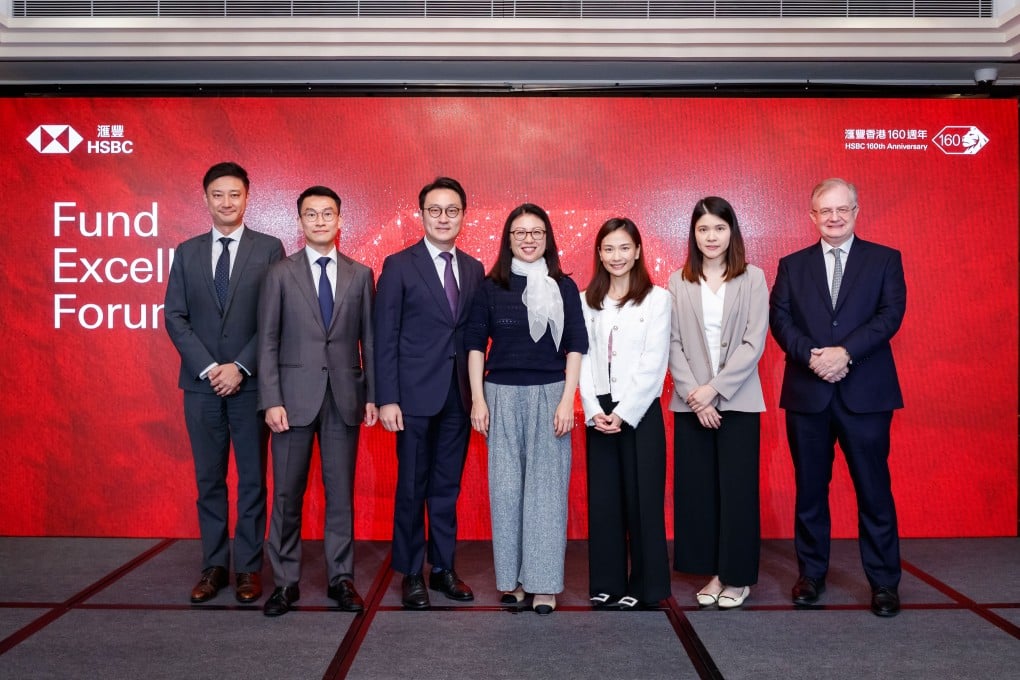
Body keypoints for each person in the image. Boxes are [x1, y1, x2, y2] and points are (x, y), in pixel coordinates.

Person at [769, 178, 906, 617]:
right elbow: (780, 318)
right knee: (810, 491)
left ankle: (884, 583)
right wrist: (814, 357)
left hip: (866, 394)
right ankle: (811, 575)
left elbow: (890, 315)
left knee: (874, 491)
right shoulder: (792, 265)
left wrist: (845, 353)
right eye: (824, 210)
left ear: (856, 211)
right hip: (808, 394)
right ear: (812, 216)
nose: (833, 217)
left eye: (842, 209)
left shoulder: (885, 260)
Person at [164, 162, 285, 604]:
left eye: (234, 194)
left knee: (253, 480)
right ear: (205, 199)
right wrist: (210, 368)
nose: (227, 202)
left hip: (250, 386)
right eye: (218, 194)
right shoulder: (187, 251)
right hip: (201, 387)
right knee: (209, 480)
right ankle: (214, 566)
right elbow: (174, 316)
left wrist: (239, 367)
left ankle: (249, 568)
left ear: (247, 197)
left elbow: (273, 318)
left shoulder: (269, 248)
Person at [257, 185, 377, 617]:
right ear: (300, 222)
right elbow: (267, 341)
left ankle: (340, 579)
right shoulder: (279, 273)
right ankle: (285, 583)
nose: (321, 221)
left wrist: (372, 397)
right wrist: (270, 398)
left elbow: (370, 340)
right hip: (290, 402)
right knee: (287, 496)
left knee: (340, 495)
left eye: (328, 214)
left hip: (344, 400)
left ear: (341, 220)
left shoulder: (361, 274)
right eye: (312, 214)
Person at [466, 203, 588, 616]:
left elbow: (575, 345)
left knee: (547, 494)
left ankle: (544, 584)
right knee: (505, 492)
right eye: (520, 232)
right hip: (500, 394)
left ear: (548, 238)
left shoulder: (563, 286)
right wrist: (478, 399)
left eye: (537, 232)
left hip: (550, 394)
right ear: (508, 239)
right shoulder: (490, 287)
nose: (529, 239)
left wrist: (568, 398)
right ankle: (513, 582)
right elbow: (474, 346)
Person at [374, 177, 485, 609]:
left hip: (457, 398)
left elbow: (473, 335)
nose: (443, 217)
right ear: (421, 214)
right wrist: (387, 397)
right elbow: (385, 336)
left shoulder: (474, 269)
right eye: (434, 210)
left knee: (446, 487)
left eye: (452, 210)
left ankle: (443, 569)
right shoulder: (399, 265)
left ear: (463, 215)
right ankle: (409, 572)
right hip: (412, 399)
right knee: (411, 488)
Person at [668, 196, 768, 610]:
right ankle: (713, 572)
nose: (711, 236)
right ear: (693, 234)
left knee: (737, 491)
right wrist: (696, 395)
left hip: (739, 402)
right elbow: (671, 343)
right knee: (699, 492)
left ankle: (736, 577)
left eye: (719, 228)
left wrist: (715, 390)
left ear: (732, 232)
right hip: (690, 403)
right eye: (703, 229)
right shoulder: (678, 281)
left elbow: (753, 342)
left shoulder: (754, 278)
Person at [579, 217, 671, 610]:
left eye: (623, 248)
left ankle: (646, 585)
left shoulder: (657, 298)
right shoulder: (586, 299)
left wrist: (626, 411)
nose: (616, 256)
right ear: (599, 253)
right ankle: (607, 581)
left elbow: (655, 362)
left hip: (640, 410)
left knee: (642, 499)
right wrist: (592, 409)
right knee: (604, 500)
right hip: (599, 408)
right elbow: (579, 357)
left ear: (637, 251)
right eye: (608, 249)